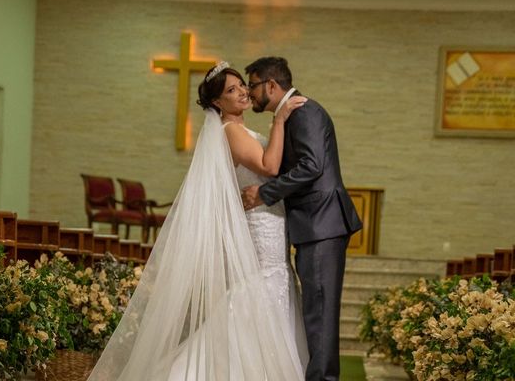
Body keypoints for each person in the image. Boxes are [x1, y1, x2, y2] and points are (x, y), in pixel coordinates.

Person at [87, 62, 307, 381]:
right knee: (260, 293)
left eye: (241, 85)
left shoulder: (239, 131)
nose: (243, 92)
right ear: (218, 102)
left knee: (269, 293)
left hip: (269, 220)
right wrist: (281, 117)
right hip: (260, 225)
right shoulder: (231, 131)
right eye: (231, 90)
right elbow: (269, 166)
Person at [241, 56, 363, 381]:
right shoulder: (289, 115)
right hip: (314, 224)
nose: (249, 93)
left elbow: (312, 166)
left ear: (270, 84)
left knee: (320, 313)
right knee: (315, 312)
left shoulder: (304, 111)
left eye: (252, 85)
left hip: (322, 223)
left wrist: (265, 194)